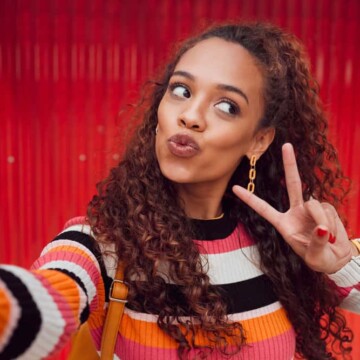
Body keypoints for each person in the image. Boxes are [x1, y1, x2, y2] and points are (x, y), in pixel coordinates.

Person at [1, 21, 360, 360]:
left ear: (258, 140)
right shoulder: (101, 242)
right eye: (181, 90)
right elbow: (41, 305)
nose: (190, 115)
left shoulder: (281, 248)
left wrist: (339, 265)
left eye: (227, 106)